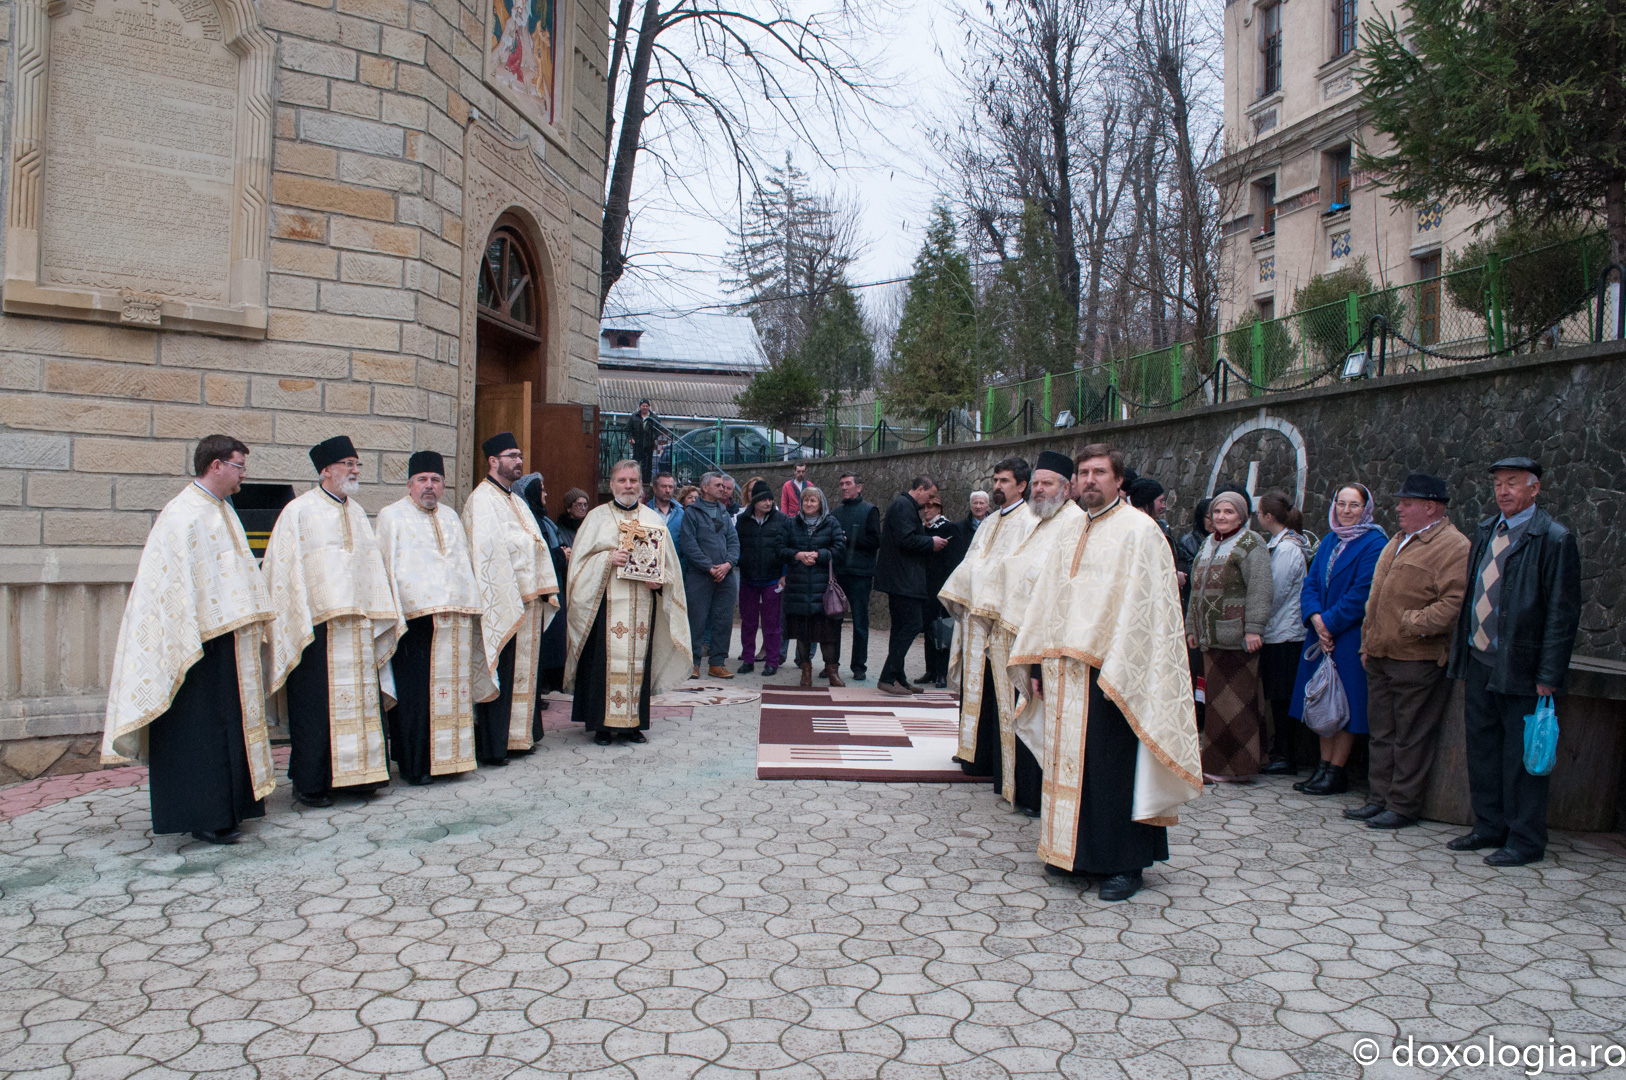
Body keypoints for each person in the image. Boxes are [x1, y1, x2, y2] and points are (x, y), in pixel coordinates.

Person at [1009, 444, 1201, 902]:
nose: (1090, 480)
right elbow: (1048, 600)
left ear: (1118, 480)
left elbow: (1148, 611)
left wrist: (1120, 664)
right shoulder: (1070, 529)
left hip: (1116, 672)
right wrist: (1036, 662)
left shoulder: (1140, 531)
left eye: (1099, 472)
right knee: (1074, 767)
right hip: (1064, 672)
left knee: (1112, 767)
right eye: (1084, 472)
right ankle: (1075, 854)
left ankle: (1123, 864)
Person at [101, 435, 277, 844]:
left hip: (226, 639)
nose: (243, 475)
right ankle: (204, 815)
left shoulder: (222, 509)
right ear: (216, 466)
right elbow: (171, 584)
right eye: (239, 466)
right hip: (194, 643)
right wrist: (196, 627)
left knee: (227, 727)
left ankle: (232, 807)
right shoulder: (182, 514)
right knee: (200, 731)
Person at [1445, 457, 1580, 866]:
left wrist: (1548, 674)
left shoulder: (1553, 538)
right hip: (1480, 659)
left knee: (1520, 759)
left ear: (1534, 489)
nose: (1503, 491)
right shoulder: (1488, 529)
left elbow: (1562, 613)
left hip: (1522, 666)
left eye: (1513, 483)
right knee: (1482, 749)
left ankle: (1525, 840)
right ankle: (1489, 826)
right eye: (1498, 483)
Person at [263, 436, 403, 808]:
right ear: (326, 469)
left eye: (357, 464)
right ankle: (311, 783)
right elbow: (283, 571)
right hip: (317, 629)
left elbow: (371, 570)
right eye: (348, 464)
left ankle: (359, 779)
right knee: (316, 709)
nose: (355, 470)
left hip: (357, 627)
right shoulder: (298, 511)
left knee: (361, 706)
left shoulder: (357, 513)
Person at [1340, 473, 1470, 829]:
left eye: (1406, 503)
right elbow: (1376, 597)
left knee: (1412, 736)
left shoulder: (1453, 546)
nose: (1398, 508)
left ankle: (1402, 805)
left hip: (1417, 659)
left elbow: (1454, 603)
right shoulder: (1398, 540)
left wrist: (1412, 623)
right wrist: (1368, 642)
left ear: (1431, 507)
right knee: (1382, 734)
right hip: (1381, 654)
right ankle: (1378, 799)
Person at [375, 451, 497, 785]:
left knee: (453, 695)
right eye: (422, 480)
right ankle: (414, 766)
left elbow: (462, 564)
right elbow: (386, 567)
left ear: (443, 485)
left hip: (454, 620)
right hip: (414, 623)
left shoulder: (451, 517)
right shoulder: (391, 516)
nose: (429, 486)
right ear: (409, 484)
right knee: (416, 698)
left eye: (436, 480)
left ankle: (451, 760)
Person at [985, 451, 1088, 812]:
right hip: (1018, 633)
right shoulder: (1040, 520)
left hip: (1046, 638)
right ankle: (1021, 791)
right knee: (1024, 710)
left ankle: (1039, 797)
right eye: (1038, 483)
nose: (1039, 490)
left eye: (1048, 483)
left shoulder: (1074, 522)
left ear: (1067, 488)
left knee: (1039, 713)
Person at [565, 459, 691, 743]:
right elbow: (578, 566)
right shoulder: (596, 518)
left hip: (643, 607)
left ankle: (633, 724)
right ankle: (601, 725)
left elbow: (670, 568)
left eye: (633, 480)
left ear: (640, 485)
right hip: (605, 606)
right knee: (602, 664)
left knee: (638, 663)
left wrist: (659, 582)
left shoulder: (653, 520)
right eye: (622, 480)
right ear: (612, 485)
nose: (628, 486)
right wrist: (607, 558)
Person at [462, 433, 561, 765]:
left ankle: (521, 737)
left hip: (529, 603)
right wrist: (509, 597)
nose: (519, 461)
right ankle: (495, 745)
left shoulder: (516, 501)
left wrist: (543, 587)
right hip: (504, 604)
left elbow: (536, 545)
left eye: (520, 455)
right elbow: (487, 556)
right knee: (503, 673)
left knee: (525, 673)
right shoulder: (481, 500)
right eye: (512, 456)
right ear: (493, 461)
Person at [939, 457, 1035, 787]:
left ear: (1022, 485)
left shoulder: (1029, 521)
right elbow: (972, 562)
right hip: (975, 618)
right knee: (974, 686)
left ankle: (994, 759)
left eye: (1004, 481)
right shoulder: (991, 521)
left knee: (997, 693)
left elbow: (1018, 571)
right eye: (995, 480)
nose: (997, 486)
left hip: (1001, 623)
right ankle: (972, 752)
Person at [1290, 483, 1388, 796]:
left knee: (1345, 704)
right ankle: (1323, 766)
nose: (1346, 511)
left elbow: (1362, 593)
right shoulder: (1331, 539)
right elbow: (1311, 583)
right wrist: (1315, 618)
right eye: (1341, 503)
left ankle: (1336, 770)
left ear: (1366, 508)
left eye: (1354, 505)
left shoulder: (1374, 543)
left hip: (1349, 636)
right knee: (1322, 698)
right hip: (1321, 633)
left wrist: (1328, 625)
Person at [1185, 490, 1273, 783]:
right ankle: (1219, 764)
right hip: (1211, 638)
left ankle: (1237, 768)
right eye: (1217, 511)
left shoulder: (1251, 544)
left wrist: (1254, 628)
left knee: (1236, 706)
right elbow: (1196, 591)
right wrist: (1192, 627)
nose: (1221, 517)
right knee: (1216, 707)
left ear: (1242, 516)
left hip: (1236, 637)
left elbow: (1260, 588)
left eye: (1229, 512)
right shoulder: (1208, 543)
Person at [874, 475, 949, 696]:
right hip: (903, 580)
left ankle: (899, 679)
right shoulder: (903, 506)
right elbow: (905, 540)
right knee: (912, 625)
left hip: (902, 579)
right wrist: (931, 542)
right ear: (920, 489)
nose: (930, 501)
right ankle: (888, 676)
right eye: (930, 495)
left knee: (900, 628)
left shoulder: (904, 506)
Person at [1255, 490, 1312, 776]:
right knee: (1278, 696)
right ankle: (1281, 751)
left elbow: (1274, 591)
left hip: (1285, 633)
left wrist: (1257, 615)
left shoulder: (1287, 549)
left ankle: (1286, 755)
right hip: (1279, 631)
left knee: (1282, 697)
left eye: (1259, 512)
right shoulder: (1282, 544)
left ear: (1268, 516)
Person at [781, 485, 848, 687]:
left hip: (823, 589)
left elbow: (840, 550)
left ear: (820, 503)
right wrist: (798, 555)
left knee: (828, 635)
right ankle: (806, 672)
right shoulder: (791, 523)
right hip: (798, 588)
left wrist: (820, 555)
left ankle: (832, 671)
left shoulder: (831, 523)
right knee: (803, 635)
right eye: (805, 500)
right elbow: (779, 549)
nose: (808, 504)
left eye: (813, 500)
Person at [678, 470, 740, 679]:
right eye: (718, 485)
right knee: (696, 620)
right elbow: (689, 544)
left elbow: (734, 542)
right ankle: (693, 664)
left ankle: (717, 663)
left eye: (723, 486)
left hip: (725, 577)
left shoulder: (724, 512)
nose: (723, 489)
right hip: (699, 576)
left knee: (723, 621)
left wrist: (728, 564)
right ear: (705, 488)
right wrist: (709, 567)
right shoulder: (691, 513)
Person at [517, 472, 571, 707]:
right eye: (541, 490)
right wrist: (560, 554)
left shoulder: (543, 519)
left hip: (553, 582)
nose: (546, 494)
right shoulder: (528, 519)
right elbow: (535, 555)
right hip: (538, 590)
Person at [831, 472, 882, 681]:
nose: (844, 487)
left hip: (860, 575)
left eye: (848, 483)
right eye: (841, 484)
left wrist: (850, 539)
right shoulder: (836, 512)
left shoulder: (870, 511)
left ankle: (859, 666)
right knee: (833, 622)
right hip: (839, 574)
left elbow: (876, 541)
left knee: (860, 623)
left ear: (859, 487)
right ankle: (831, 664)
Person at [735, 480, 788, 676]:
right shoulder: (742, 521)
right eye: (764, 499)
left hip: (773, 579)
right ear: (754, 501)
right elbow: (736, 545)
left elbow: (787, 548)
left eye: (770, 499)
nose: (768, 503)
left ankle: (772, 662)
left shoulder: (782, 520)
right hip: (748, 578)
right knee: (748, 622)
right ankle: (747, 659)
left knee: (772, 624)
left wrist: (785, 574)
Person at [921, 494, 967, 688]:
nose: (926, 510)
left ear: (939, 508)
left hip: (942, 585)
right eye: (924, 507)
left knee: (943, 627)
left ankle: (942, 671)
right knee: (928, 629)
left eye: (931, 507)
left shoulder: (949, 528)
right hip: (925, 585)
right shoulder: (922, 528)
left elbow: (955, 558)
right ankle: (930, 669)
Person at [626, 399, 660, 481]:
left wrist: (653, 437)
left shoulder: (654, 418)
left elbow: (658, 430)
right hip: (637, 443)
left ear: (649, 407)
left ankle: (646, 481)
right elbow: (627, 429)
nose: (645, 407)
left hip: (649, 444)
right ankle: (634, 479)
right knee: (635, 462)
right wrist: (630, 438)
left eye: (646, 406)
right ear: (640, 407)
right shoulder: (634, 417)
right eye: (643, 406)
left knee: (648, 463)